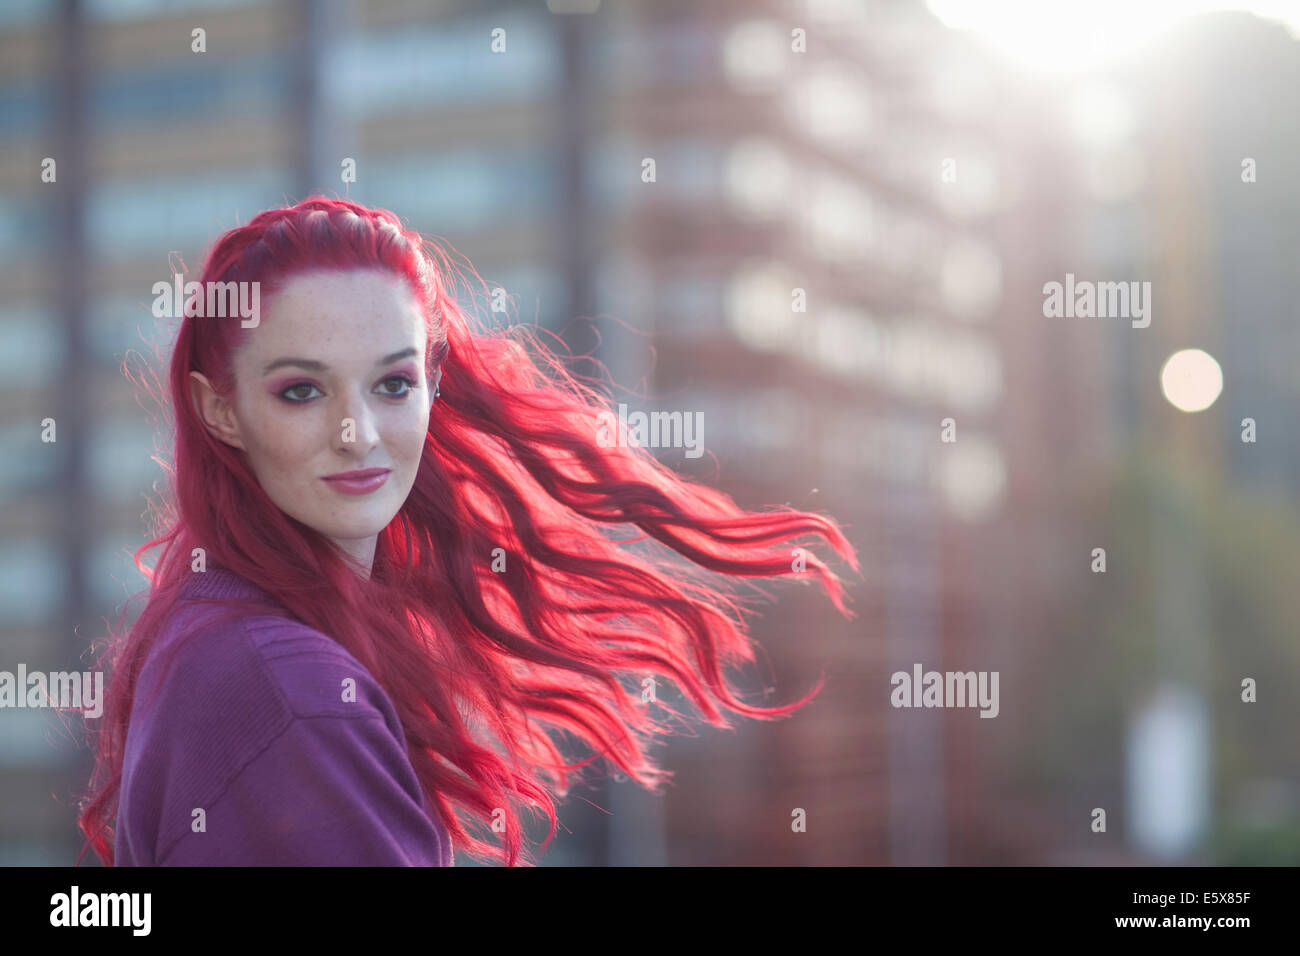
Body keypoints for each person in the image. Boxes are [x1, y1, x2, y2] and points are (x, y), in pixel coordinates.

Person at [76, 196, 858, 866]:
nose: (358, 433)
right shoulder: (289, 687)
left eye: (392, 383)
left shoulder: (227, 631)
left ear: (432, 386)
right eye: (302, 390)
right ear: (221, 411)